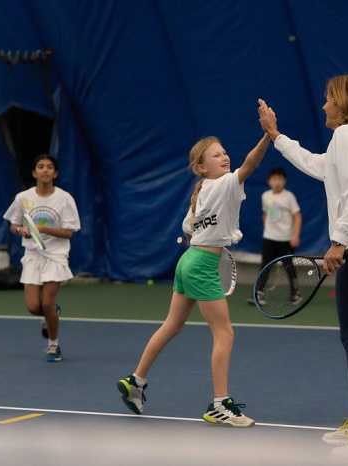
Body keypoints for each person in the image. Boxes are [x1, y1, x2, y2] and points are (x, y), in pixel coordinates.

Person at [258, 73, 348, 457]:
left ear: (342, 103)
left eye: (328, 99)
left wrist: (339, 241)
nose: (323, 106)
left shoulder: (347, 136)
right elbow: (320, 167)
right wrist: (276, 136)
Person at [117, 133, 271, 427]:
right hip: (202, 264)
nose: (224, 157)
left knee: (172, 325)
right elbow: (251, 164)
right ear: (201, 168)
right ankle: (220, 405)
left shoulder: (201, 193)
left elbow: (188, 228)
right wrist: (268, 136)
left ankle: (135, 380)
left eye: (225, 152)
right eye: (216, 155)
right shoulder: (225, 183)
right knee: (224, 333)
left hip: (187, 260)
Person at [3, 154, 81, 362]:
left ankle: (53, 346)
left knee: (46, 303)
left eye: (49, 167)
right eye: (40, 166)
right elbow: (13, 224)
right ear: (34, 172)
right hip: (32, 255)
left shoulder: (65, 199)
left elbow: (69, 232)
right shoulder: (23, 198)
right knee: (33, 307)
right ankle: (52, 315)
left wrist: (42, 228)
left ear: (55, 174)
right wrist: (21, 230)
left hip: (56, 255)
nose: (45, 170)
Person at [247, 167, 302, 305]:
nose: (277, 182)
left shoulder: (289, 196)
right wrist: (268, 229)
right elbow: (265, 213)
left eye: (280, 179)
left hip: (285, 239)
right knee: (265, 266)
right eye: (274, 179)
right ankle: (259, 294)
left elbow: (297, 216)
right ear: (269, 181)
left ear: (284, 181)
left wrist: (295, 235)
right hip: (269, 238)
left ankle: (295, 294)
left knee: (289, 267)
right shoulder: (265, 196)